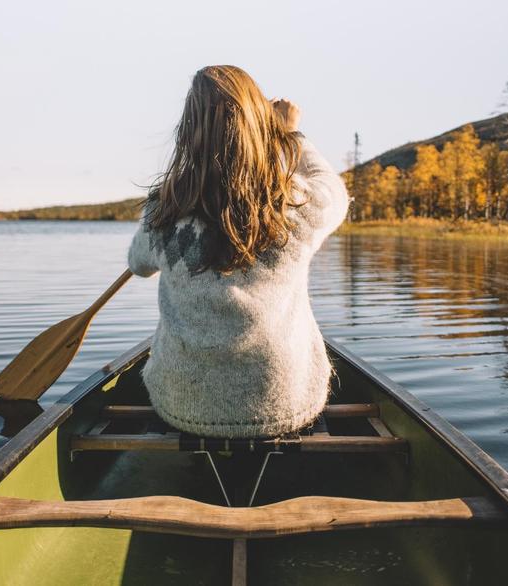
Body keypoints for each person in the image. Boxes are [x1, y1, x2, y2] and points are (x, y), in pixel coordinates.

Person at [127, 65, 349, 439]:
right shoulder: (295, 203)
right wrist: (290, 135)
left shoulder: (162, 211)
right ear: (259, 126)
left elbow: (137, 265)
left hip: (182, 405)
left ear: (188, 131)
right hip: (284, 405)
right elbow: (333, 189)